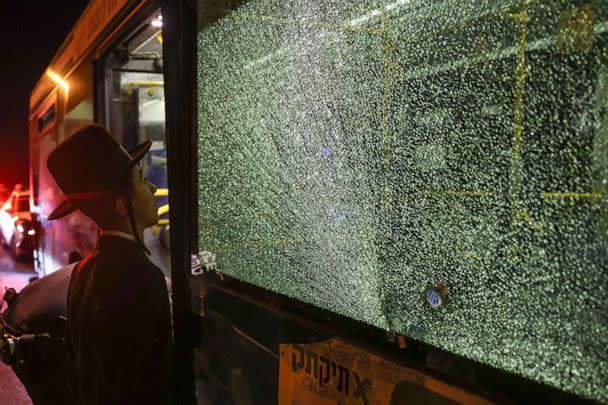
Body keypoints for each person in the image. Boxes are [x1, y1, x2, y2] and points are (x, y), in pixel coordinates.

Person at [46, 124, 173, 404]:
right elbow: (154, 384)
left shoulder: (82, 272)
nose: (152, 187)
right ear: (120, 205)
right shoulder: (144, 278)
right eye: (141, 180)